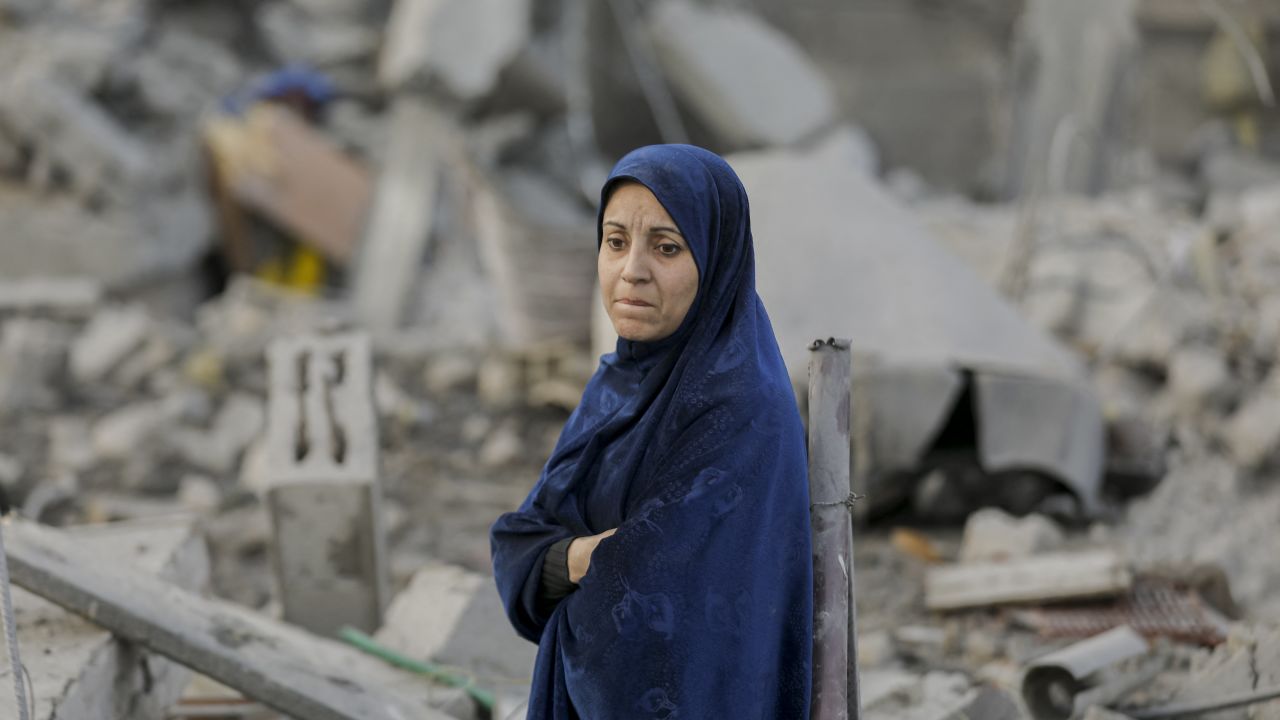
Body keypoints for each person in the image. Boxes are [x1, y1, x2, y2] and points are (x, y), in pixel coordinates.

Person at [489, 144, 813, 719]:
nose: (632, 270)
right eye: (616, 242)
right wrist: (588, 558)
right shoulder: (621, 383)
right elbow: (519, 544)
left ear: (716, 261)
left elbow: (653, 604)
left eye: (666, 247)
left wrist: (567, 560)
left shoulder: (740, 408)